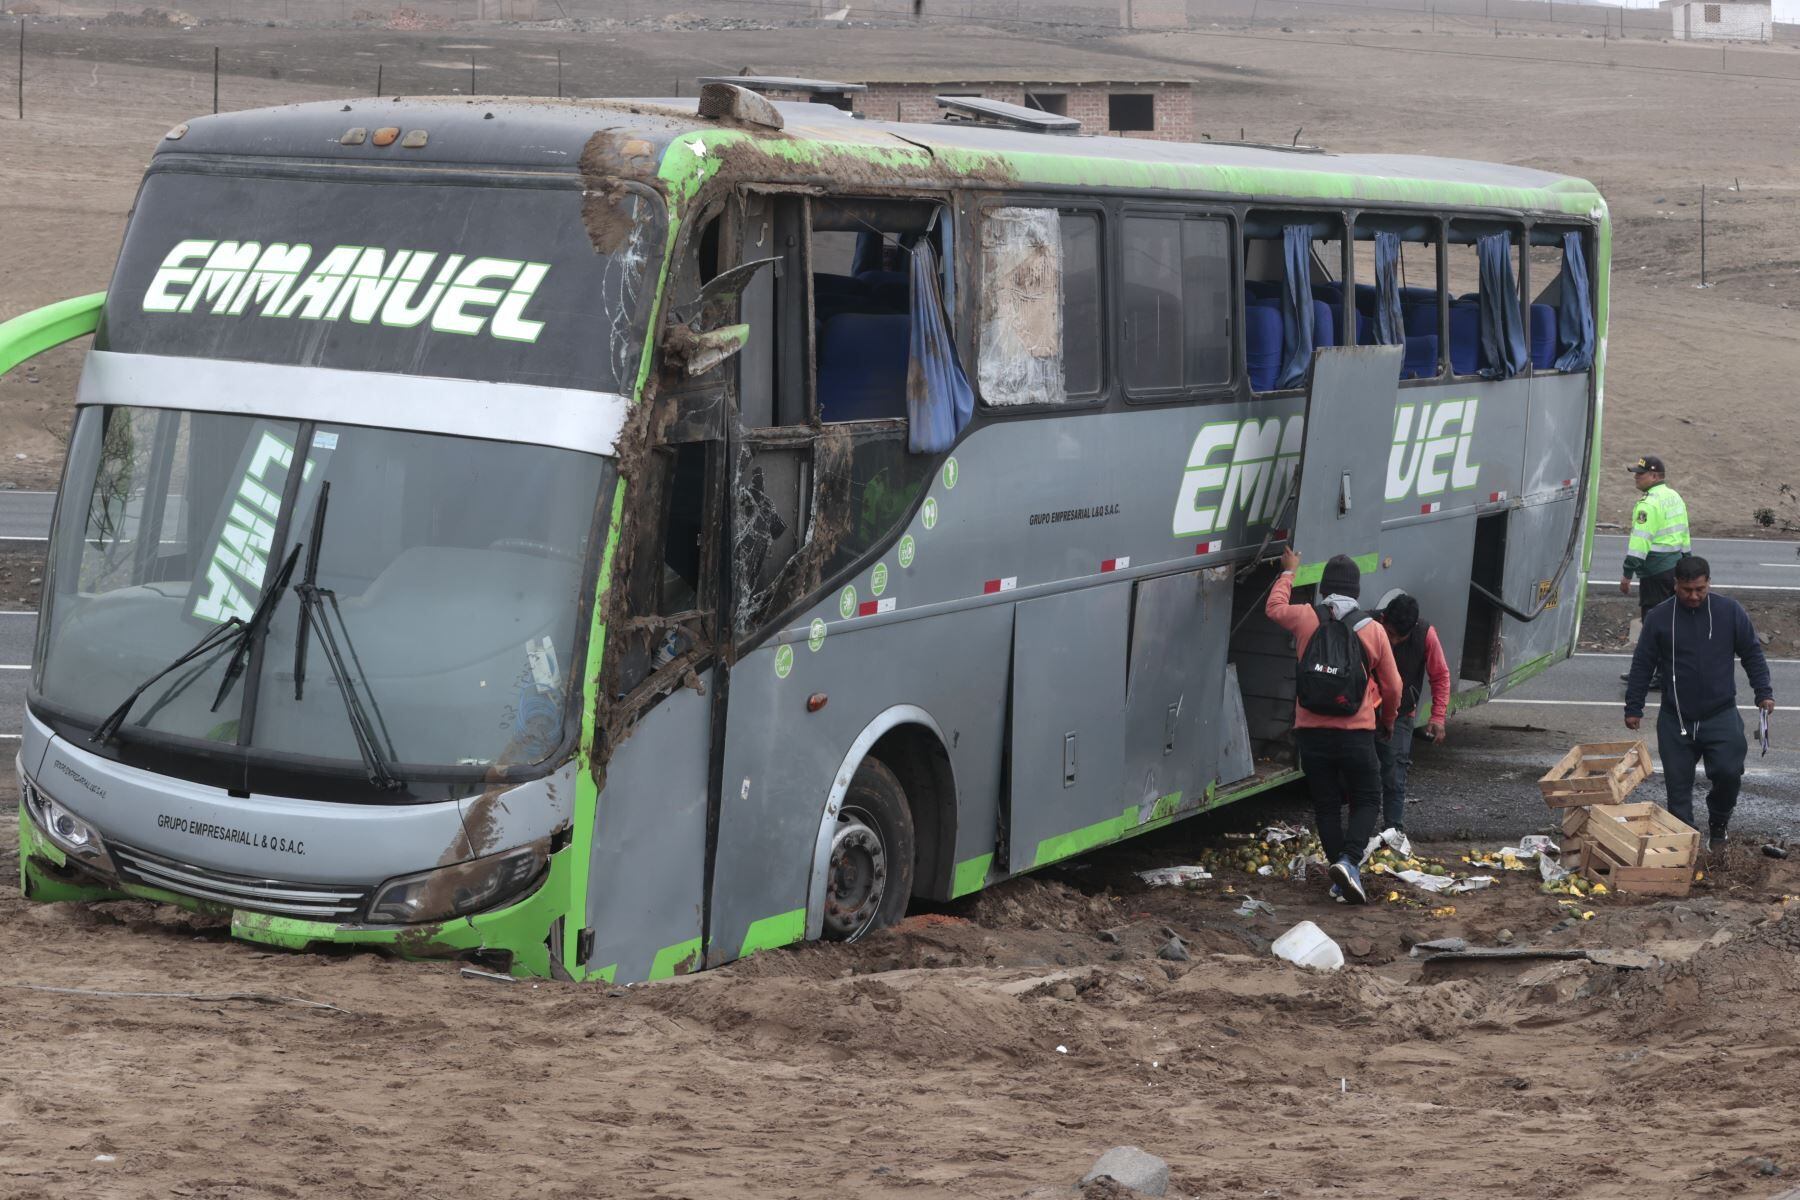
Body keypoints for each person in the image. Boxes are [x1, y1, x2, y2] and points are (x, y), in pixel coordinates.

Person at [1268, 548, 1402, 904]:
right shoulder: (1372, 629)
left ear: (1325, 586)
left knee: (1326, 805)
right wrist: (1386, 722)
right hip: (1356, 732)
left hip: (1311, 731)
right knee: (1368, 798)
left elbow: (1274, 608)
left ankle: (1340, 872)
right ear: (1356, 590)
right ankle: (1348, 860)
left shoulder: (1305, 617)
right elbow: (1393, 687)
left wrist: (1288, 572)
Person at [1624, 555, 1774, 854]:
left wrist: (1763, 691)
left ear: (1708, 584)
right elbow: (1643, 663)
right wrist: (1634, 706)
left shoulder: (1729, 611)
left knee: (1729, 772)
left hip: (1720, 714)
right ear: (1675, 585)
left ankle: (1719, 824)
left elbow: (1752, 654)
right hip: (1675, 718)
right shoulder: (1659, 617)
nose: (1694, 596)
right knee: (1677, 788)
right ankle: (1684, 846)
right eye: (1687, 590)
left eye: (1700, 590)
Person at [1375, 592, 1451, 835]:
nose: (1394, 642)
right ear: (1383, 619)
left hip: (1401, 714)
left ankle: (1393, 833)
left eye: (1400, 637)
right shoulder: (1370, 625)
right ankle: (1358, 831)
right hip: (1366, 712)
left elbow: (1440, 675)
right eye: (1390, 634)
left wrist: (1437, 717)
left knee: (1395, 774)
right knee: (1361, 773)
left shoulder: (1425, 634)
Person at [1618, 454, 1690, 684]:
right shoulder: (1674, 497)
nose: (1636, 478)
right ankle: (1661, 671)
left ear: (1655, 475)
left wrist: (1628, 573)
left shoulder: (1648, 504)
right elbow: (1684, 532)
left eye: (1640, 474)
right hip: (1675, 567)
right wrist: (1687, 561)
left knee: (1653, 623)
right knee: (1671, 621)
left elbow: (1640, 542)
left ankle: (1656, 674)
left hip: (1656, 572)